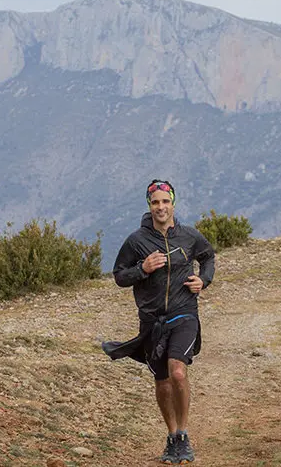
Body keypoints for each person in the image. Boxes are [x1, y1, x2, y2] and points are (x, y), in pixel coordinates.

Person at [102, 179, 215, 464]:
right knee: (163, 381)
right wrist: (143, 268)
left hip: (184, 313)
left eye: (165, 201)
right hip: (152, 321)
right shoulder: (136, 241)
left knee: (178, 372)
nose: (161, 207)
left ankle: (184, 434)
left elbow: (208, 256)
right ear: (149, 206)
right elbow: (119, 276)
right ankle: (172, 434)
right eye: (155, 203)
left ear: (173, 204)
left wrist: (204, 280)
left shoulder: (189, 236)